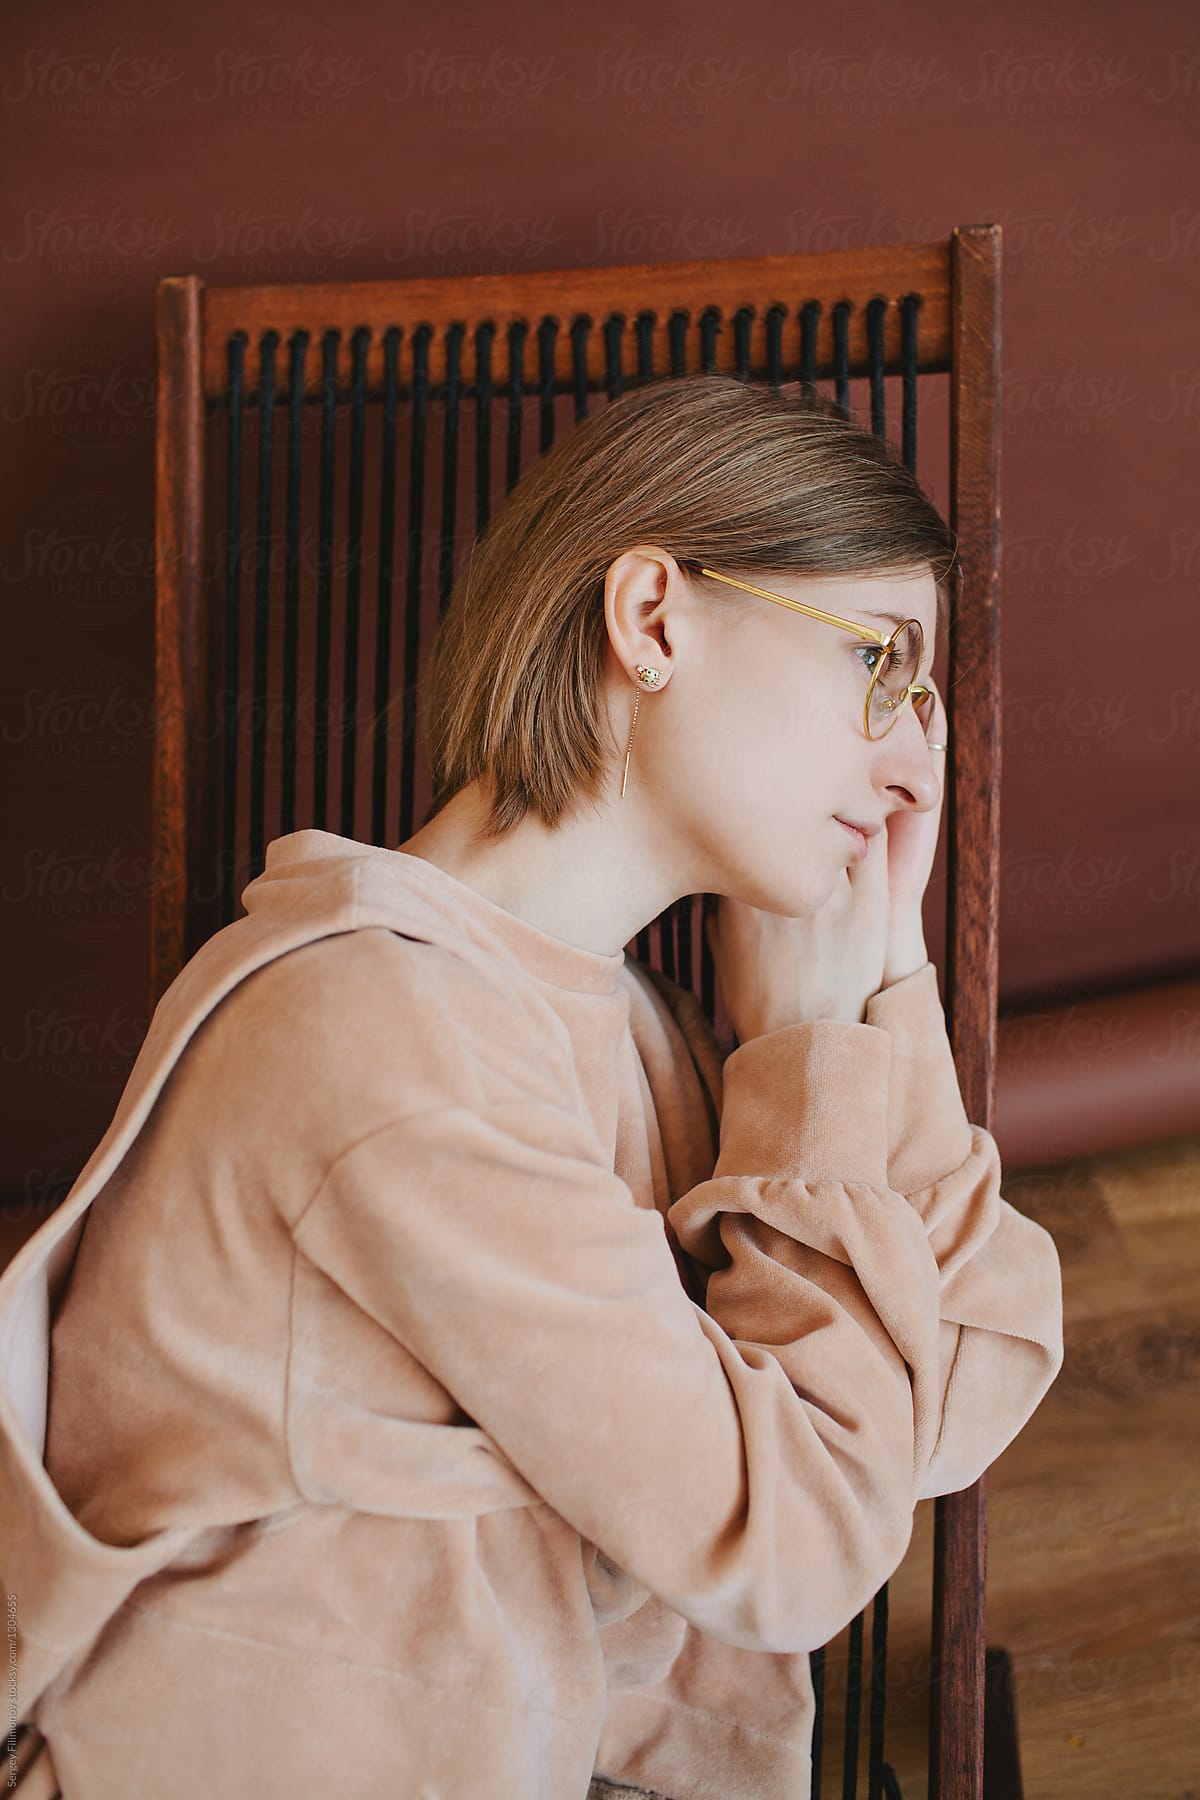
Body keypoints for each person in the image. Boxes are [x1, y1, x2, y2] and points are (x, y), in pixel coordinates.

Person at [0, 374, 1063, 1800]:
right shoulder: (382, 1038)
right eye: (881, 667)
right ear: (653, 619)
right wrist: (813, 1058)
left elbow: (982, 1356)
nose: (914, 768)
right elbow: (804, 1548)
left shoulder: (648, 1036)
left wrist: (868, 997)